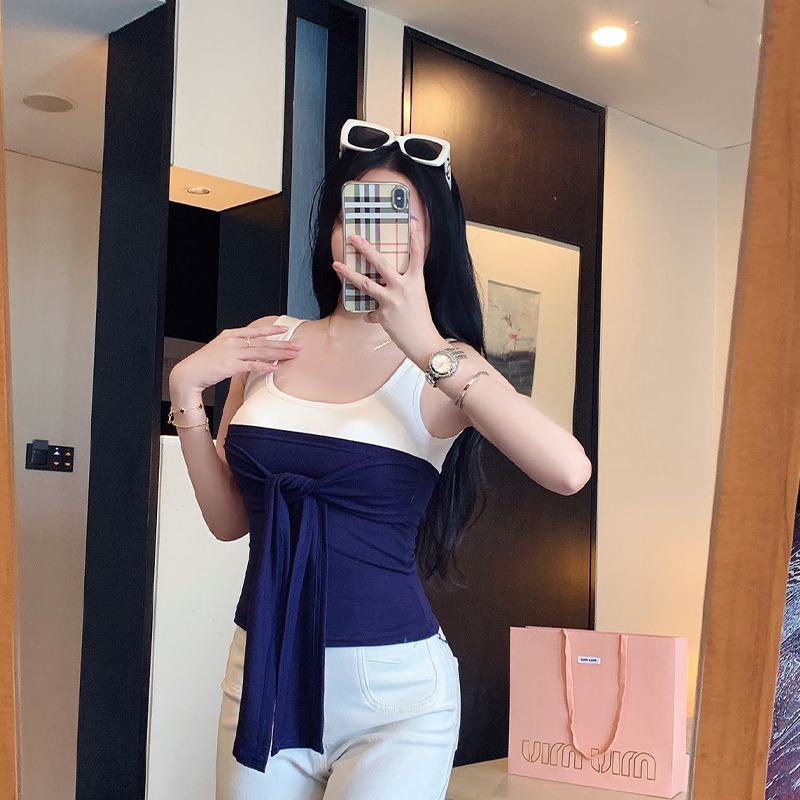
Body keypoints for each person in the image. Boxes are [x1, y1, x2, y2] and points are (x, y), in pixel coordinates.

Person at [167, 120, 592, 800]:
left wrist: (426, 344)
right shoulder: (269, 342)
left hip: (396, 699)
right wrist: (186, 393)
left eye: (398, 220)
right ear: (331, 230)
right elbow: (229, 522)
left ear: (432, 240)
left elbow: (567, 471)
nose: (368, 237)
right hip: (263, 670)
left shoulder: (444, 365)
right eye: (353, 213)